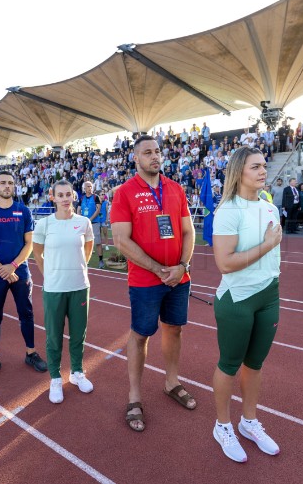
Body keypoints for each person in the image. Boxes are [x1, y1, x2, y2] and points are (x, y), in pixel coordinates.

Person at [110, 135, 195, 433]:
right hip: (146, 281)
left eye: (157, 151)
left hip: (178, 277)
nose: (154, 156)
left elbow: (188, 231)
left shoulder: (175, 188)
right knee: (140, 334)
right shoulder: (124, 193)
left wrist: (182, 266)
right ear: (135, 158)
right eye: (147, 152)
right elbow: (120, 239)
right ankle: (134, 397)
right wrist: (160, 269)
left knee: (175, 329)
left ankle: (171, 382)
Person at [210, 147, 282, 462]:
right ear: (240, 172)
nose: (263, 171)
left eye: (264, 166)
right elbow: (224, 264)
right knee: (229, 364)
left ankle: (248, 421)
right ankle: (222, 425)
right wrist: (267, 245)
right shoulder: (228, 210)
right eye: (256, 167)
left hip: (269, 295)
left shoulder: (270, 207)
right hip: (237, 299)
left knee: (255, 364)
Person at [0, 171, 47, 384]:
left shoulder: (23, 211)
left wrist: (13, 266)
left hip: (20, 272)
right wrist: (1, 268)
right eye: (3, 183)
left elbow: (29, 243)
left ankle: (31, 353)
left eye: (11, 183)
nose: (7, 186)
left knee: (27, 313)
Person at [32, 180, 95, 404]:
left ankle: (77, 372)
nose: (65, 198)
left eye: (68, 194)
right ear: (53, 198)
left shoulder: (84, 222)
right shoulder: (44, 224)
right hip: (54, 288)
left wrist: (80, 266)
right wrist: (47, 273)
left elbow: (88, 246)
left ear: (73, 196)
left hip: (79, 286)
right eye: (61, 195)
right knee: (54, 336)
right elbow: (37, 253)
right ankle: (56, 378)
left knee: (79, 334)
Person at [78, 181, 105, 268]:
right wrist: (80, 219)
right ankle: (86, 260)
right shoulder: (82, 198)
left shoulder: (95, 197)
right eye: (87, 186)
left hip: (94, 223)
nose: (89, 188)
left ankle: (101, 260)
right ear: (84, 188)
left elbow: (98, 209)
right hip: (84, 224)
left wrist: (90, 219)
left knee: (97, 242)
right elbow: (78, 209)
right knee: (85, 242)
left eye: (90, 186)